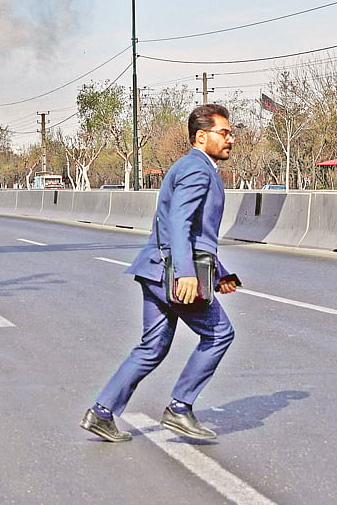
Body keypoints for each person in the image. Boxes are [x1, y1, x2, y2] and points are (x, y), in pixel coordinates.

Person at [80, 104, 239, 443]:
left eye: (230, 133)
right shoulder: (199, 170)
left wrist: (220, 274)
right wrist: (185, 273)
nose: (231, 139)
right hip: (173, 273)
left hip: (155, 270)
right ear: (201, 136)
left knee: (152, 347)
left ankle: (101, 412)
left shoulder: (190, 166)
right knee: (219, 334)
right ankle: (180, 408)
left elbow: (194, 233)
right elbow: (179, 224)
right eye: (224, 133)